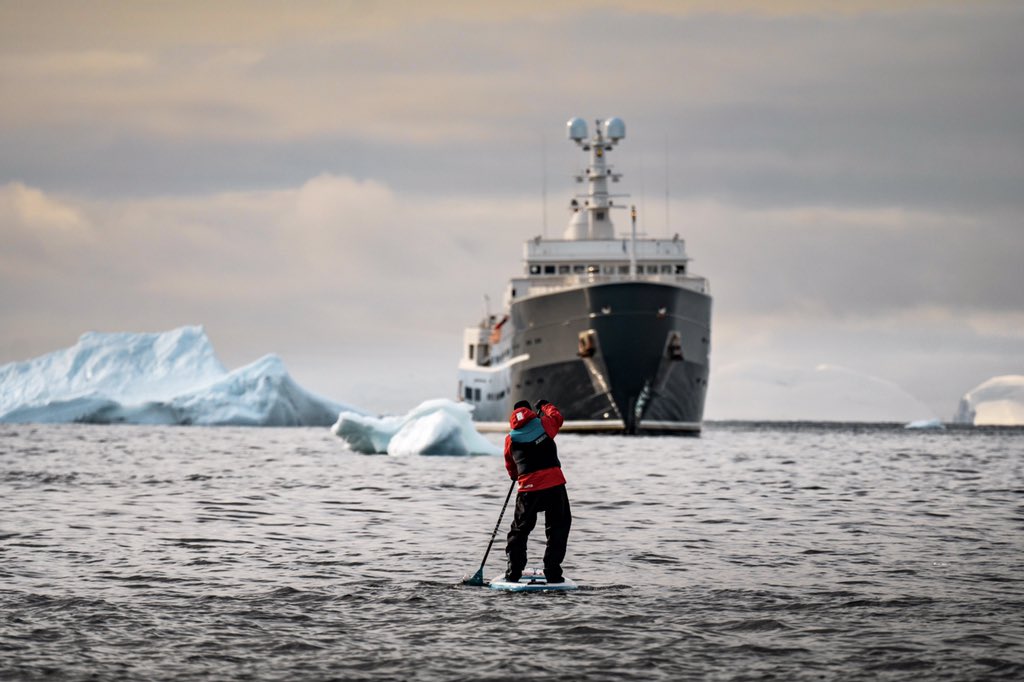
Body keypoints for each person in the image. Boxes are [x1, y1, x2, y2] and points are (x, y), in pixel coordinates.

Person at [503, 398, 571, 583]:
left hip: (527, 490)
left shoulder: (510, 438)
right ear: (530, 411)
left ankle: (513, 572)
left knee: (519, 530)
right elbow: (557, 417)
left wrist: (515, 476)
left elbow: (510, 466)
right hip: (554, 486)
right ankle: (553, 572)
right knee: (558, 526)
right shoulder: (544, 423)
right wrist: (545, 405)